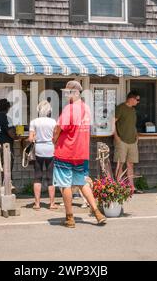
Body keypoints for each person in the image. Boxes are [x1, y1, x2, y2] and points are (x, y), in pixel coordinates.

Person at [52, 80, 106, 228]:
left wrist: (54, 140)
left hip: (66, 151)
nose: (65, 95)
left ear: (73, 93)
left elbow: (58, 128)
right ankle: (97, 212)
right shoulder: (87, 109)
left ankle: (70, 218)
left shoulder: (69, 109)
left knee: (65, 185)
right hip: (82, 152)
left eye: (67, 92)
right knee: (82, 183)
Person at [28, 100, 57, 210]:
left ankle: (37, 204)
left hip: (39, 149)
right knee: (50, 177)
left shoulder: (34, 122)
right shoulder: (53, 122)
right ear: (49, 110)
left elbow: (31, 139)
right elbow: (55, 137)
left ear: (39, 110)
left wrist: (35, 137)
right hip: (50, 149)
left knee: (37, 176)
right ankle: (52, 203)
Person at [113, 91, 141, 194]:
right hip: (122, 141)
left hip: (132, 141)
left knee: (130, 164)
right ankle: (119, 186)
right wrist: (116, 136)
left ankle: (131, 186)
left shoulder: (133, 110)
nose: (138, 102)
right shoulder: (120, 108)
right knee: (120, 164)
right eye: (137, 100)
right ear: (131, 99)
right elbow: (112, 122)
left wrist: (136, 136)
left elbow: (132, 124)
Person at [0, 99, 19, 179]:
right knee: (7, 167)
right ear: (8, 108)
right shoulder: (7, 118)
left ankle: (1, 187)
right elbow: (11, 133)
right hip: (5, 147)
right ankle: (7, 187)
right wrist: (17, 136)